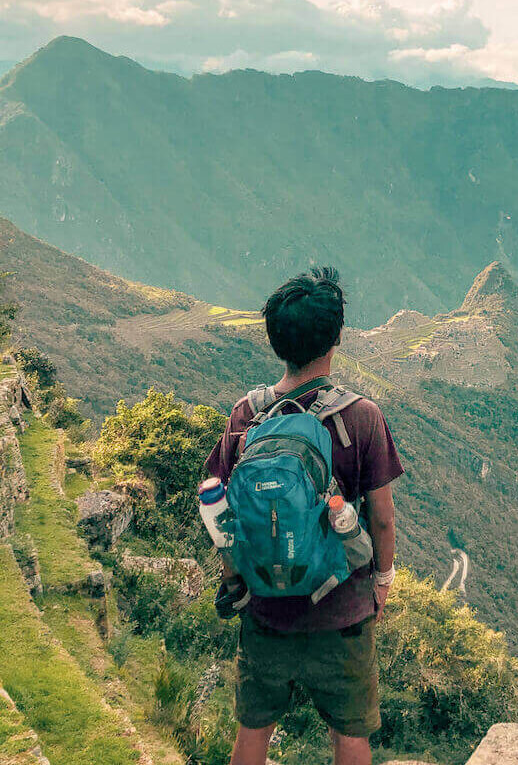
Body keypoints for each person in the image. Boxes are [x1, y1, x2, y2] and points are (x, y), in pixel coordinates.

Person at [204, 267, 404, 765]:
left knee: (253, 732)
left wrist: (235, 577)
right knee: (350, 737)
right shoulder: (361, 417)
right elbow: (381, 518)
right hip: (343, 609)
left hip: (266, 605)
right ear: (335, 339)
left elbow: (221, 509)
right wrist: (382, 579)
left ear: (276, 341)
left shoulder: (245, 416)